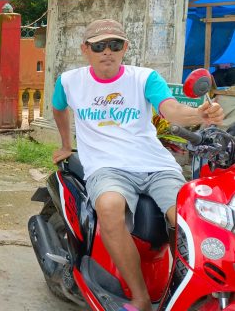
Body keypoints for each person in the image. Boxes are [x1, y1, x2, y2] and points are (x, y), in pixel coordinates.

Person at [51, 19, 224, 311]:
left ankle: (184, 290)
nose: (108, 51)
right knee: (108, 207)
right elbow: (58, 109)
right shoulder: (70, 81)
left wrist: (198, 114)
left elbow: (170, 110)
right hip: (107, 168)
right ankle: (141, 297)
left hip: (155, 164)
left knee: (189, 217)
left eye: (115, 45)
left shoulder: (144, 78)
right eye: (99, 46)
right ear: (86, 49)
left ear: (125, 48)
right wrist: (67, 144)